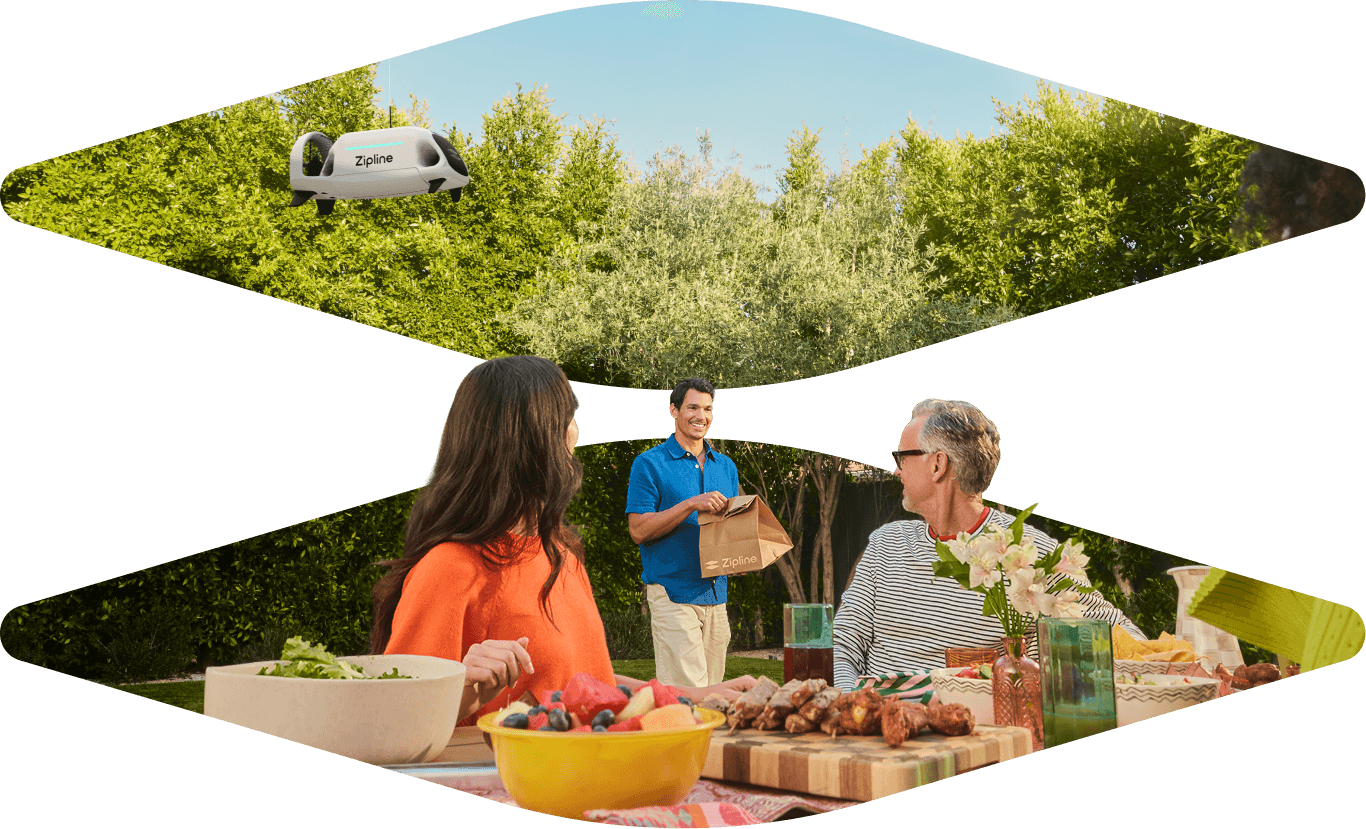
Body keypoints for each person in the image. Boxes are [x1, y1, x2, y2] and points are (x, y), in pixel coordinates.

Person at [371, 356, 754, 727]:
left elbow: (590, 687)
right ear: (527, 439)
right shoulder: (450, 568)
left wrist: (703, 697)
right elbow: (391, 721)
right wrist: (465, 690)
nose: (576, 432)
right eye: (567, 419)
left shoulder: (562, 556)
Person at [832, 398, 1144, 689]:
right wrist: (848, 702)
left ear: (937, 465)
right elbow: (842, 646)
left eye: (902, 456)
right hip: (874, 731)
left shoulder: (1028, 554)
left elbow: (1124, 640)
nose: (896, 468)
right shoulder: (886, 545)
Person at [626, 377, 740, 689]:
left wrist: (741, 556)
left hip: (717, 596)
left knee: (712, 695)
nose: (700, 416)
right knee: (689, 696)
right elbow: (638, 530)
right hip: (674, 594)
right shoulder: (649, 464)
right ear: (674, 410)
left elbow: (730, 529)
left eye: (707, 409)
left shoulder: (726, 467)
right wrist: (690, 504)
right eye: (692, 407)